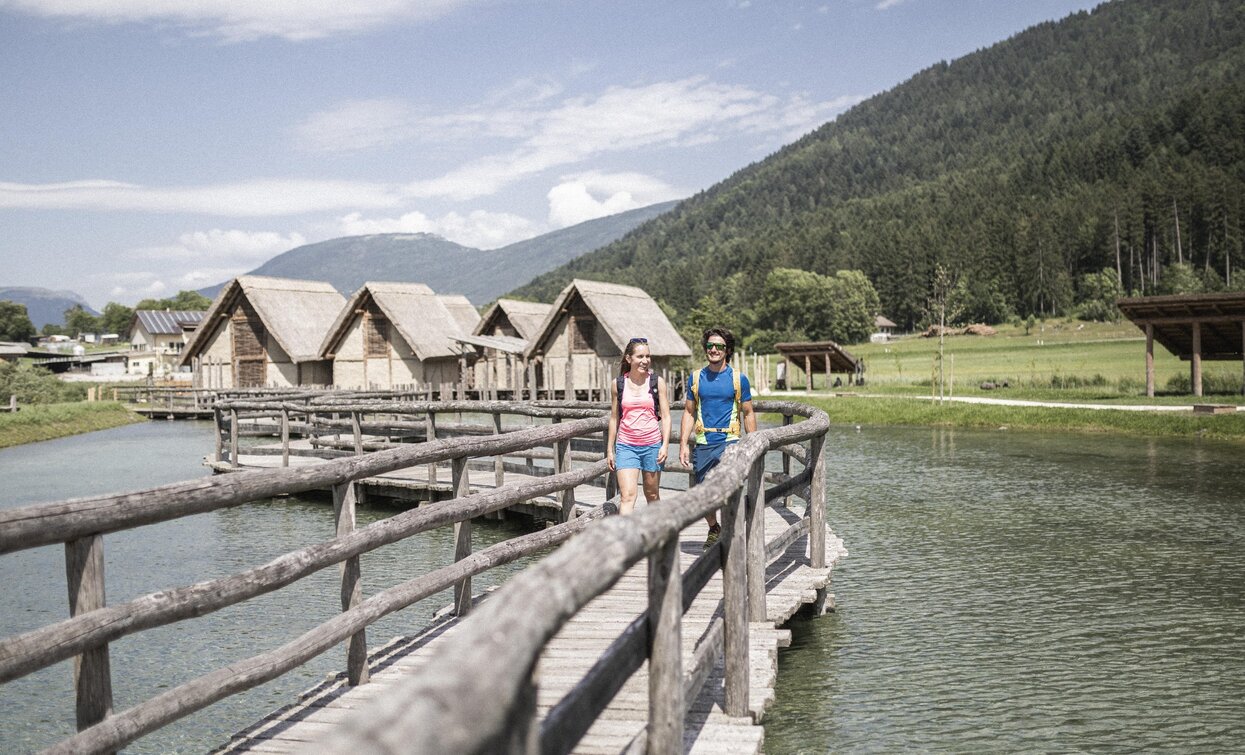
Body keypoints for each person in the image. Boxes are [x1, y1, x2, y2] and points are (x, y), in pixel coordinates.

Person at [679, 327, 756, 547]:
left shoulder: (738, 379)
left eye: (719, 346)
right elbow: (689, 412)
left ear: (727, 350)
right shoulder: (696, 378)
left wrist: (753, 446)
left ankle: (732, 538)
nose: (713, 350)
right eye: (710, 346)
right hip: (703, 443)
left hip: (730, 442)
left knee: (730, 490)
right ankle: (714, 528)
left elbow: (748, 413)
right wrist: (683, 444)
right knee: (704, 495)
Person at [606, 337, 671, 515]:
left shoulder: (657, 382)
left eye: (647, 356)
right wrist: (610, 450)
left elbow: (666, 417)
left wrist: (665, 445)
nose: (645, 360)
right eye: (640, 356)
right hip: (626, 446)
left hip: (652, 445)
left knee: (652, 494)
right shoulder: (618, 384)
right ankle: (626, 534)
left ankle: (657, 531)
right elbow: (614, 418)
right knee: (627, 497)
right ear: (629, 359)